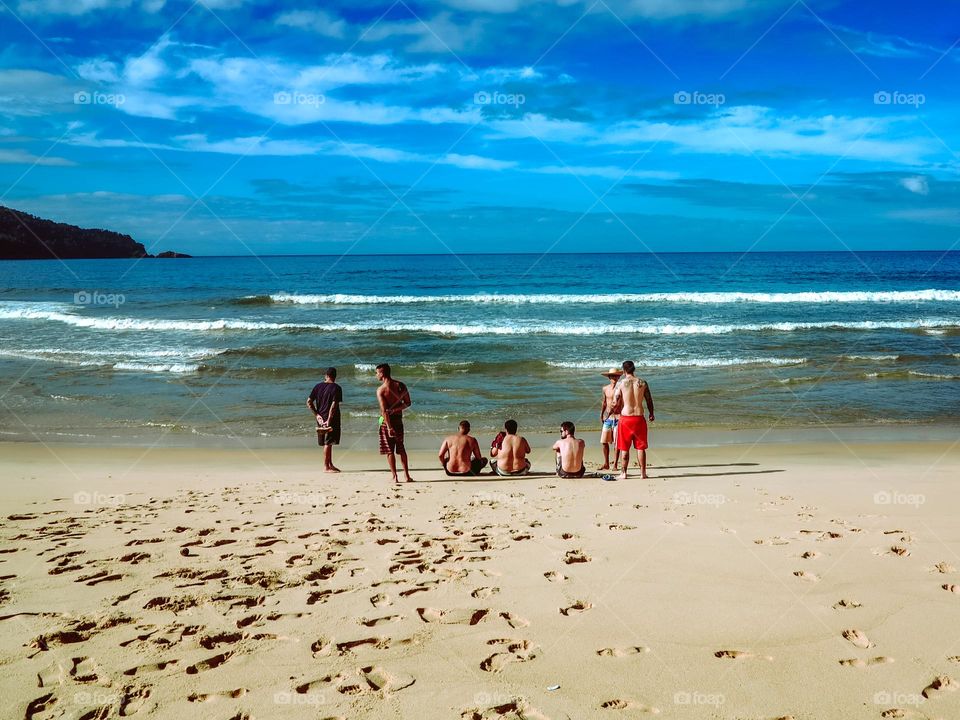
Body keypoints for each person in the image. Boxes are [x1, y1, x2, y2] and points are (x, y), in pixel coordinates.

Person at [614, 360, 655, 480]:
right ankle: (643, 473)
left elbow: (615, 402)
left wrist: (612, 411)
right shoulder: (642, 382)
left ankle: (624, 473)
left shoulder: (620, 383)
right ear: (634, 369)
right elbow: (649, 400)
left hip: (626, 419)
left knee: (624, 448)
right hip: (639, 418)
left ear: (624, 370)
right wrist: (651, 413)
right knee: (641, 448)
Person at [376, 363, 412, 483]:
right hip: (398, 420)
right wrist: (395, 409)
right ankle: (407, 476)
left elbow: (384, 411)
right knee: (401, 449)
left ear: (382, 373)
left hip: (386, 423)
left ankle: (395, 476)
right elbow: (408, 403)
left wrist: (389, 427)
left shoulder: (381, 390)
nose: (376, 375)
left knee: (389, 450)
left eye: (377, 373)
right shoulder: (400, 385)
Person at [306, 367, 343, 473]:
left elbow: (309, 402)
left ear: (326, 376)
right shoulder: (337, 388)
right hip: (331, 418)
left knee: (328, 442)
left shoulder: (317, 386)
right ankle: (326, 467)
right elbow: (334, 404)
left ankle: (330, 464)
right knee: (328, 442)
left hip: (321, 418)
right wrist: (329, 420)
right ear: (335, 376)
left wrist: (317, 415)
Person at [599, 368, 623, 470]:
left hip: (618, 417)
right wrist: (601, 414)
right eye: (612, 376)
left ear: (619, 377)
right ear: (609, 377)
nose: (615, 378)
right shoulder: (605, 388)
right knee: (604, 441)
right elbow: (604, 402)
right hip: (608, 418)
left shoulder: (621, 388)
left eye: (616, 376)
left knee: (617, 442)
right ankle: (606, 463)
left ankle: (615, 464)